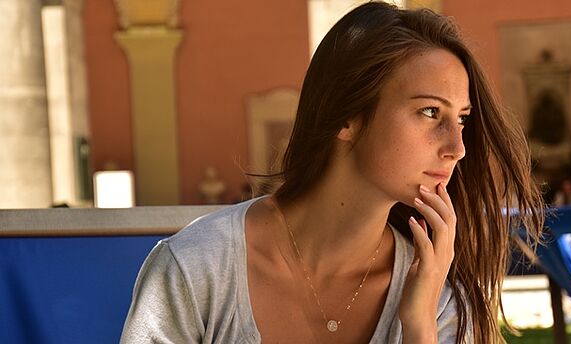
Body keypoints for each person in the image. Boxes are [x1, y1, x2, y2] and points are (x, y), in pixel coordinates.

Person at [120, 2, 544, 344]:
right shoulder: (201, 267)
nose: (456, 147)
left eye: (462, 119)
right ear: (346, 118)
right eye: (429, 111)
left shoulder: (434, 294)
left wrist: (418, 328)